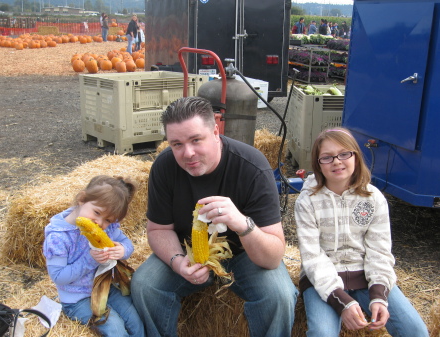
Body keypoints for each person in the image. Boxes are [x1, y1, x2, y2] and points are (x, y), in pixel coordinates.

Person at [131, 96, 298, 337]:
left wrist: (242, 224)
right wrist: (179, 262)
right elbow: (158, 229)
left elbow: (272, 257)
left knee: (279, 295)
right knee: (145, 285)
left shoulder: (252, 167)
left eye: (196, 140)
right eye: (176, 144)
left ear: (215, 131)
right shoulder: (164, 167)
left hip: (244, 254)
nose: (188, 153)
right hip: (188, 250)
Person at [294, 128, 429, 337]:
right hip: (323, 281)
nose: (337, 162)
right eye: (327, 157)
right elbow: (312, 257)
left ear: (355, 156)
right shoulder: (307, 201)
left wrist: (379, 295)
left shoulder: (373, 198)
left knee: (415, 330)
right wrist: (341, 302)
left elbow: (380, 251)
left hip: (365, 275)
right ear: (318, 164)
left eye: (344, 154)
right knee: (322, 333)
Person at [43, 175, 145, 337]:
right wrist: (90, 260)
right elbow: (58, 277)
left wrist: (122, 250)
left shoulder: (107, 228)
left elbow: (127, 243)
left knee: (136, 322)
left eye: (108, 220)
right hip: (77, 299)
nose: (100, 223)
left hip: (106, 287)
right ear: (82, 199)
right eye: (97, 212)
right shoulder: (58, 238)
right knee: (115, 329)